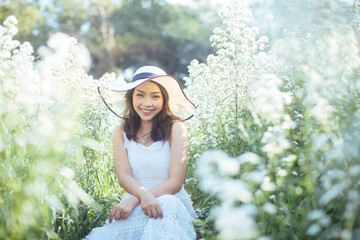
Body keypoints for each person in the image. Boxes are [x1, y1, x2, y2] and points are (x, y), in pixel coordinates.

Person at [84, 66, 197, 240]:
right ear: (130, 98)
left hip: (170, 205)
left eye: (155, 96)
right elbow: (124, 176)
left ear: (164, 99)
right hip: (135, 205)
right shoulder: (120, 132)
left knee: (167, 203)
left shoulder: (177, 129)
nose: (147, 103)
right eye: (140, 95)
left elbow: (175, 182)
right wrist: (140, 197)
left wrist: (138, 198)